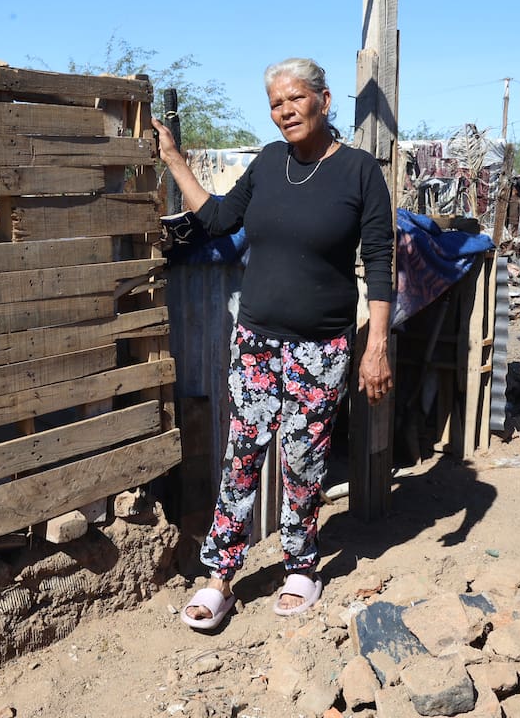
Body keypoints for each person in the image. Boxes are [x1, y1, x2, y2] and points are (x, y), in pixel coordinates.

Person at [151, 57, 394, 631]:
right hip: (257, 340)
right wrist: (175, 162)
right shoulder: (266, 163)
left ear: (325, 100)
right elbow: (215, 219)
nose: (285, 111)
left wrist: (376, 344)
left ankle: (300, 567)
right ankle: (220, 578)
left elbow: (381, 263)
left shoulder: (360, 173)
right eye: (275, 104)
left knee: (303, 460)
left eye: (295, 99)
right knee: (241, 457)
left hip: (320, 347)